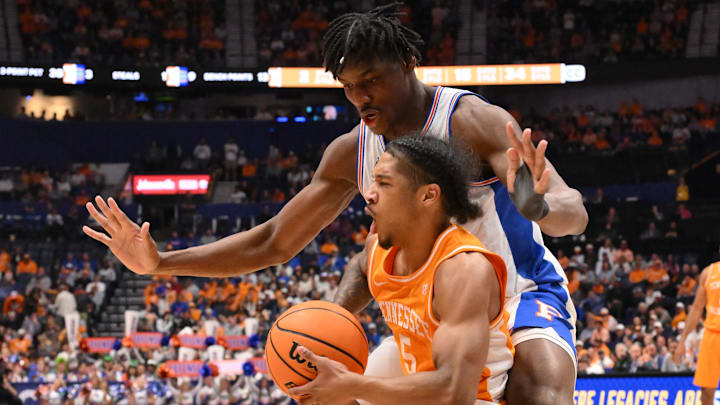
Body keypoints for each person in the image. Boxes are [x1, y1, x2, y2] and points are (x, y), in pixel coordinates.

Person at [82, 4, 587, 404]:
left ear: (409, 64)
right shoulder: (354, 149)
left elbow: (573, 210)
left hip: (519, 292)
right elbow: (275, 241)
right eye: (349, 88)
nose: (361, 98)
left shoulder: (469, 120)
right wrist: (161, 263)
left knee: (538, 389)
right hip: (428, 307)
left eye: (371, 81)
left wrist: (538, 206)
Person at [289, 136, 511, 404]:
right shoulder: (379, 249)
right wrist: (335, 320)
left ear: (428, 195)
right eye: (373, 181)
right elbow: (360, 267)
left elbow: (455, 392)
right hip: (417, 379)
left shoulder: (463, 270)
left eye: (384, 183)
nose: (369, 193)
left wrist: (350, 386)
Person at [674, 256, 720, 405]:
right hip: (712, 335)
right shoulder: (709, 272)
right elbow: (696, 309)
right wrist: (682, 341)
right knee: (706, 392)